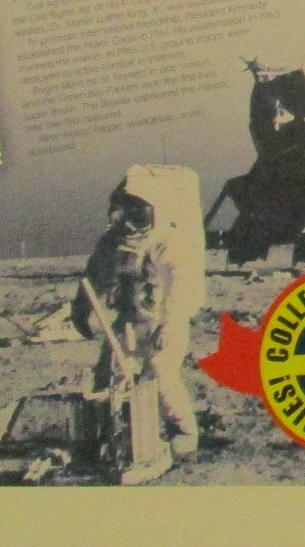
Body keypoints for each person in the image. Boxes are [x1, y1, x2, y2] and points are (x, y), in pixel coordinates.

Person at [72, 166, 206, 467]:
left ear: (154, 210)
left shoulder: (167, 242)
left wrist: (169, 323)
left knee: (160, 374)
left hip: (162, 321)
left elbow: (179, 286)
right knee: (108, 376)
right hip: (127, 321)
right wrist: (81, 310)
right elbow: (93, 276)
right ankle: (111, 435)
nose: (130, 224)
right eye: (124, 213)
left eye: (139, 214)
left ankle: (183, 433)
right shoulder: (111, 243)